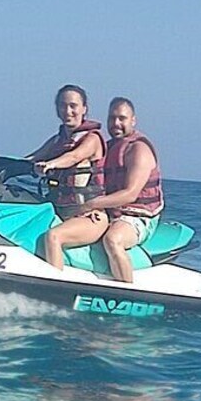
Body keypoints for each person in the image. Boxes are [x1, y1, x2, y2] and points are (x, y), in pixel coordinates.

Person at [75, 97, 164, 282]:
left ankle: (126, 294)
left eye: (122, 118)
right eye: (112, 118)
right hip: (112, 211)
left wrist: (91, 205)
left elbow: (130, 194)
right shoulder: (108, 147)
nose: (116, 123)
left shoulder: (138, 149)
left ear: (133, 120)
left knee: (113, 240)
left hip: (140, 216)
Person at [28, 85, 110, 271]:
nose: (68, 111)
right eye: (63, 106)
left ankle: (53, 294)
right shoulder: (57, 141)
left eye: (73, 106)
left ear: (84, 109)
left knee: (53, 237)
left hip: (89, 217)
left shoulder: (92, 139)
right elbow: (30, 159)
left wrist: (51, 164)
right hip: (60, 211)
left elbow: (74, 157)